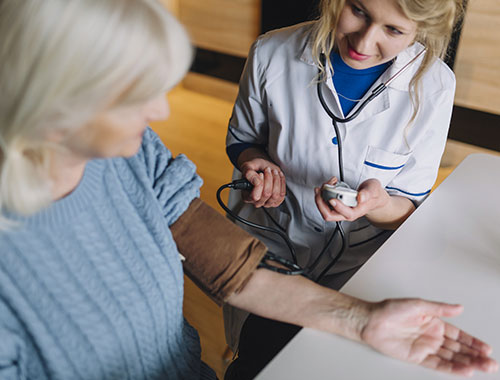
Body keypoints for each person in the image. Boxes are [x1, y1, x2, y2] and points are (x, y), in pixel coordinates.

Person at [0, 1, 497, 380]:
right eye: (135, 94)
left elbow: (226, 264)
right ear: (55, 96)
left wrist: (361, 319)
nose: (162, 112)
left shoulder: (135, 155)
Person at [223, 0, 479, 377]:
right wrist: (253, 163)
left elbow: (409, 207)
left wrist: (376, 205)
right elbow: (242, 138)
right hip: (274, 242)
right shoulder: (271, 52)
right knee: (259, 357)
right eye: (358, 11)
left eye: (393, 30)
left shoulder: (435, 85)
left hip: (359, 266)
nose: (364, 40)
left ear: (419, 31)